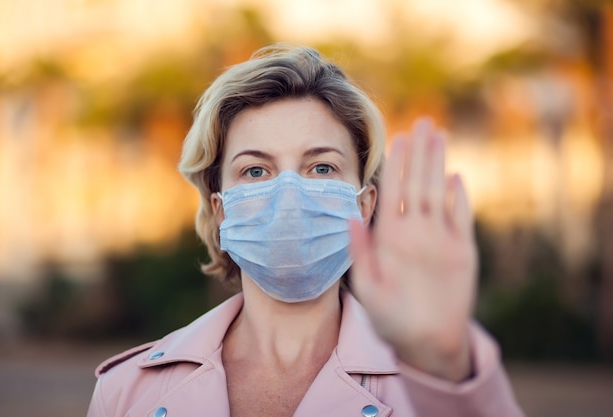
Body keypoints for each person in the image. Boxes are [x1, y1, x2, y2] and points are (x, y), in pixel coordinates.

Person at [87, 44, 525, 417]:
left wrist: (448, 366)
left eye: (321, 166)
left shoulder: (432, 390)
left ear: (366, 204)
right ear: (222, 211)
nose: (290, 193)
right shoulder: (127, 392)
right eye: (256, 170)